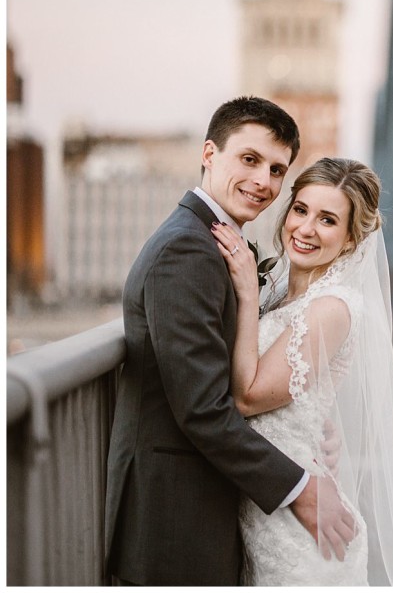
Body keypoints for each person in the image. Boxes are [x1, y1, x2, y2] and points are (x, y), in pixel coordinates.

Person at [104, 97, 355, 586]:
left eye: (277, 169)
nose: (263, 180)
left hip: (210, 496)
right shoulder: (187, 249)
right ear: (209, 154)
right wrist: (300, 488)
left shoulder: (214, 242)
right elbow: (202, 406)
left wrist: (305, 417)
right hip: (174, 506)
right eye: (249, 159)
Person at [211, 157, 393, 585]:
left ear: (350, 239)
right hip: (270, 512)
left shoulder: (332, 307)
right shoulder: (283, 294)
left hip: (301, 534)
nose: (305, 229)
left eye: (327, 220)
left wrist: (247, 297)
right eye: (301, 210)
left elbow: (248, 396)